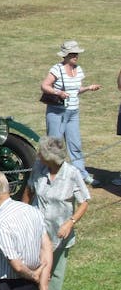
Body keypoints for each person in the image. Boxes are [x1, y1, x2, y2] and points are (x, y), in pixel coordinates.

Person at [22, 136, 89, 290]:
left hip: (59, 235)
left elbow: (84, 202)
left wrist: (70, 222)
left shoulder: (72, 174)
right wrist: (22, 212)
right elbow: (29, 189)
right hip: (37, 232)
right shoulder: (39, 167)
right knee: (34, 271)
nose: (38, 155)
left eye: (41, 153)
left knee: (55, 275)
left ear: (50, 158)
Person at [41, 40, 101, 187]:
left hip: (73, 112)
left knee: (75, 144)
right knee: (55, 145)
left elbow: (76, 89)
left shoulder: (78, 69)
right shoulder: (57, 69)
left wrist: (88, 88)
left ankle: (81, 173)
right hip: (57, 113)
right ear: (65, 55)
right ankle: (52, 174)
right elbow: (44, 86)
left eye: (77, 53)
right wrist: (58, 92)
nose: (76, 56)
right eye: (73, 54)